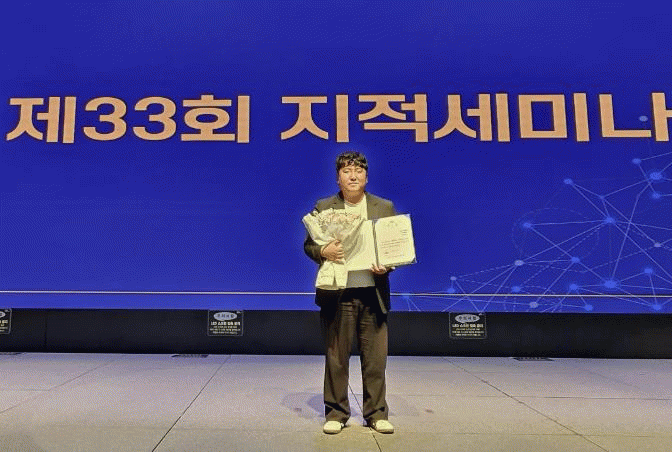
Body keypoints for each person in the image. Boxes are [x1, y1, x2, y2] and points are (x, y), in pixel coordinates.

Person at [304, 151, 396, 435]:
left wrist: (388, 264)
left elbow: (394, 246)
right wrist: (324, 250)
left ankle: (376, 413)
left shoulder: (383, 207)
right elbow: (309, 245)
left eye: (358, 171)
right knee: (336, 358)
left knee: (375, 359)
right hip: (338, 293)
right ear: (338, 178)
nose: (353, 176)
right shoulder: (324, 206)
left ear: (366, 177)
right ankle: (336, 412)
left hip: (372, 293)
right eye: (347, 171)